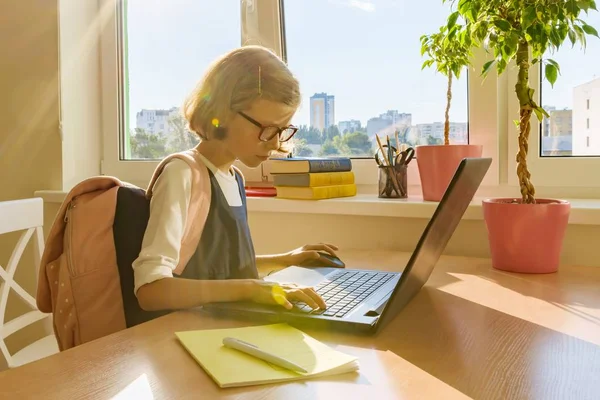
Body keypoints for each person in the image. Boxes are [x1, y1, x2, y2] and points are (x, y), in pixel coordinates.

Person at [131, 45, 340, 318]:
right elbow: (151, 290)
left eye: (282, 130)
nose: (275, 142)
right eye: (266, 129)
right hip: (185, 336)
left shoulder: (234, 178)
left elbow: (220, 269)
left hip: (228, 329)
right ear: (224, 111)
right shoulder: (183, 174)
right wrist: (252, 289)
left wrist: (286, 259)